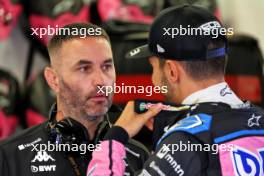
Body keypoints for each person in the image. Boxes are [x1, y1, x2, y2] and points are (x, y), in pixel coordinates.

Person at [87, 5, 264, 176]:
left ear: (172, 71)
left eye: (153, 67)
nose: (153, 77)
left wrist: (115, 137)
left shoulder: (186, 141)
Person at [0, 23, 149, 176]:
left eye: (106, 67)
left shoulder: (138, 156)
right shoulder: (10, 157)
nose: (101, 81)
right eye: (84, 68)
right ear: (53, 80)